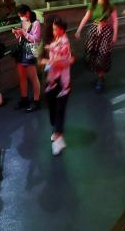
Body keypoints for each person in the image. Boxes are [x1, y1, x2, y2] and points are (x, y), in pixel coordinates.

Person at [75, 0, 118, 92]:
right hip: (94, 30)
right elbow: (86, 17)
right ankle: (99, 74)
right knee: (91, 52)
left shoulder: (110, 5)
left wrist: (115, 35)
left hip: (106, 31)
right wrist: (78, 30)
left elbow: (115, 20)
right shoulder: (93, 4)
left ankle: (100, 78)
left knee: (103, 54)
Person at [44, 17, 74, 156]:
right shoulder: (56, 40)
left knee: (60, 108)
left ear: (62, 30)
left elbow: (62, 61)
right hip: (53, 79)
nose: (53, 31)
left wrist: (47, 61)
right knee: (53, 107)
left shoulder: (64, 42)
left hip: (62, 80)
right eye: (53, 29)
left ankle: (58, 137)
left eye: (55, 29)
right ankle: (57, 130)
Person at [11, 5, 42, 112]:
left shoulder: (36, 23)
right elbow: (21, 38)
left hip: (30, 51)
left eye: (22, 15)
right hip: (21, 50)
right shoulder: (23, 22)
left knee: (33, 77)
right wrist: (17, 34)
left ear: (27, 13)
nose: (21, 18)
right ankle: (24, 99)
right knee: (22, 77)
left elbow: (36, 39)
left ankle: (36, 100)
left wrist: (23, 33)